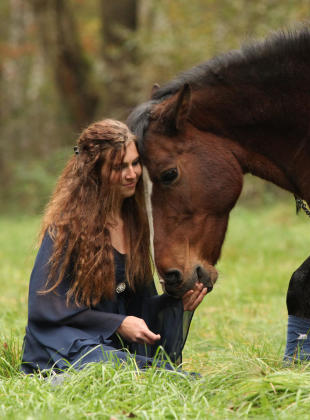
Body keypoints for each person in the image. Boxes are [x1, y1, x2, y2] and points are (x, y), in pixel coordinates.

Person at [20, 119, 207, 375]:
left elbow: (138, 307)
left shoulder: (135, 224)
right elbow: (44, 307)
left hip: (110, 345)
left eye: (135, 163)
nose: (131, 174)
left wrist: (177, 304)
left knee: (165, 375)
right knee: (134, 371)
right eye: (119, 167)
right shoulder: (67, 226)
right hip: (66, 343)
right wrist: (117, 324)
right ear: (95, 171)